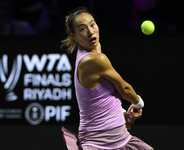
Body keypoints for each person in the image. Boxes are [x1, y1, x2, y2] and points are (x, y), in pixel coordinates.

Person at [61, 7, 153, 150]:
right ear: (74, 36)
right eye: (82, 29)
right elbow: (124, 89)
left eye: (92, 24)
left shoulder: (95, 48)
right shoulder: (93, 60)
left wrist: (121, 113)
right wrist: (138, 103)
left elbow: (100, 94)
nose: (91, 31)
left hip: (120, 137)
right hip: (98, 142)